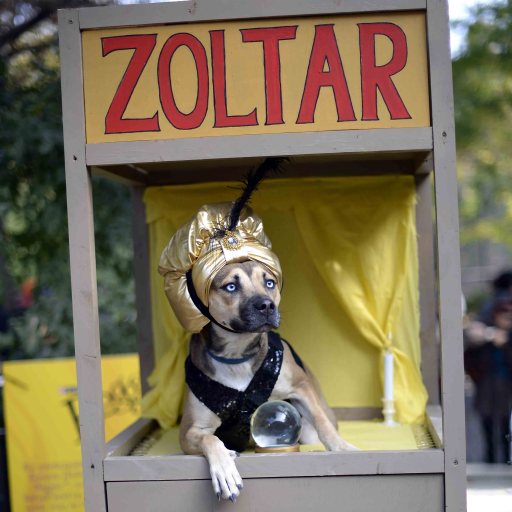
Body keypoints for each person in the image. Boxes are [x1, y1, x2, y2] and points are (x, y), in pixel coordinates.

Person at [464, 297, 512, 463]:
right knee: (488, 425)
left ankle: (505, 460)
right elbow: (471, 355)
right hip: (487, 387)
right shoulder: (486, 335)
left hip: (506, 388)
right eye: (504, 315)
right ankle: (490, 459)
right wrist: (488, 336)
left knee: (505, 427)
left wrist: (505, 344)